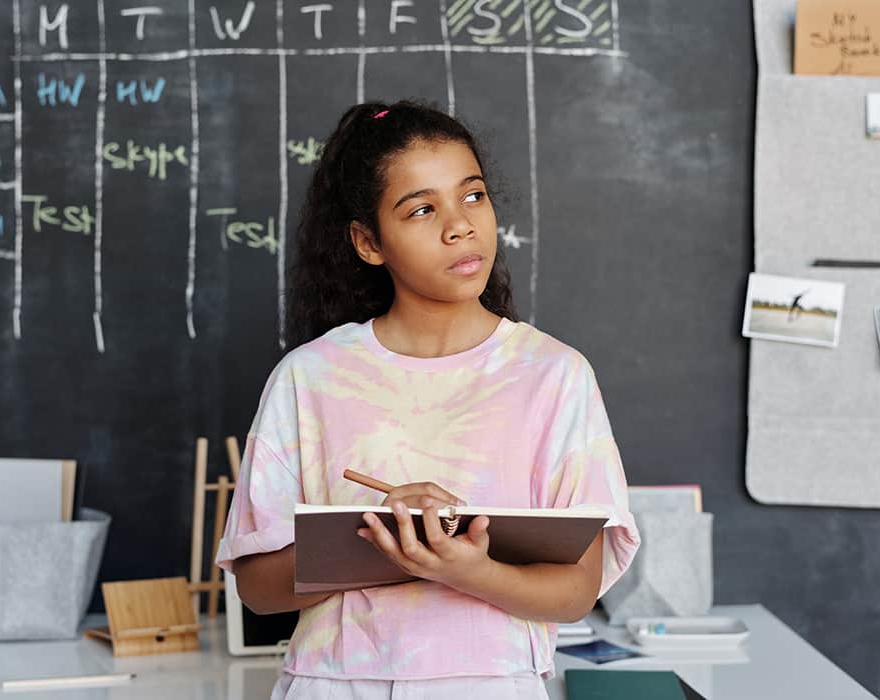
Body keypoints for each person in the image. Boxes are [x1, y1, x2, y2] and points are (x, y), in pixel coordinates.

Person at [216, 100, 640, 699]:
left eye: (472, 196)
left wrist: (467, 568)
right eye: (421, 209)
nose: (460, 226)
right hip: (335, 685)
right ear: (368, 242)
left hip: (492, 685)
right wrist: (390, 547)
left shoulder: (554, 375)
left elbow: (576, 591)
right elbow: (258, 588)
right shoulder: (309, 378)